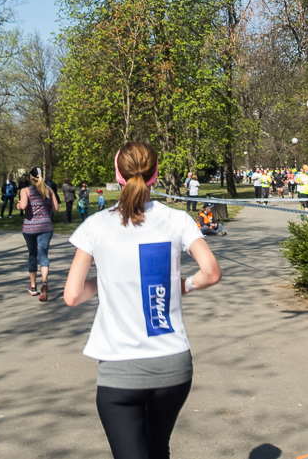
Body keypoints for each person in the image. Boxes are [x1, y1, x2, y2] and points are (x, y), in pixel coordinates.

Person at [64, 141, 222, 459]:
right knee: (156, 448)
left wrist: (106, 281)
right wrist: (185, 285)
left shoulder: (94, 226)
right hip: (174, 367)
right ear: (156, 174)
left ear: (118, 175)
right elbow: (211, 272)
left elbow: (72, 295)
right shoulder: (178, 220)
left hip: (120, 373)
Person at [17, 166, 59, 301]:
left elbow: (23, 206)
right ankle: (44, 282)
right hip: (46, 226)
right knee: (43, 254)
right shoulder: (49, 190)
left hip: (30, 228)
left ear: (31, 177)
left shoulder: (25, 190)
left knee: (32, 255)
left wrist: (18, 205)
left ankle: (33, 286)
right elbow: (56, 208)